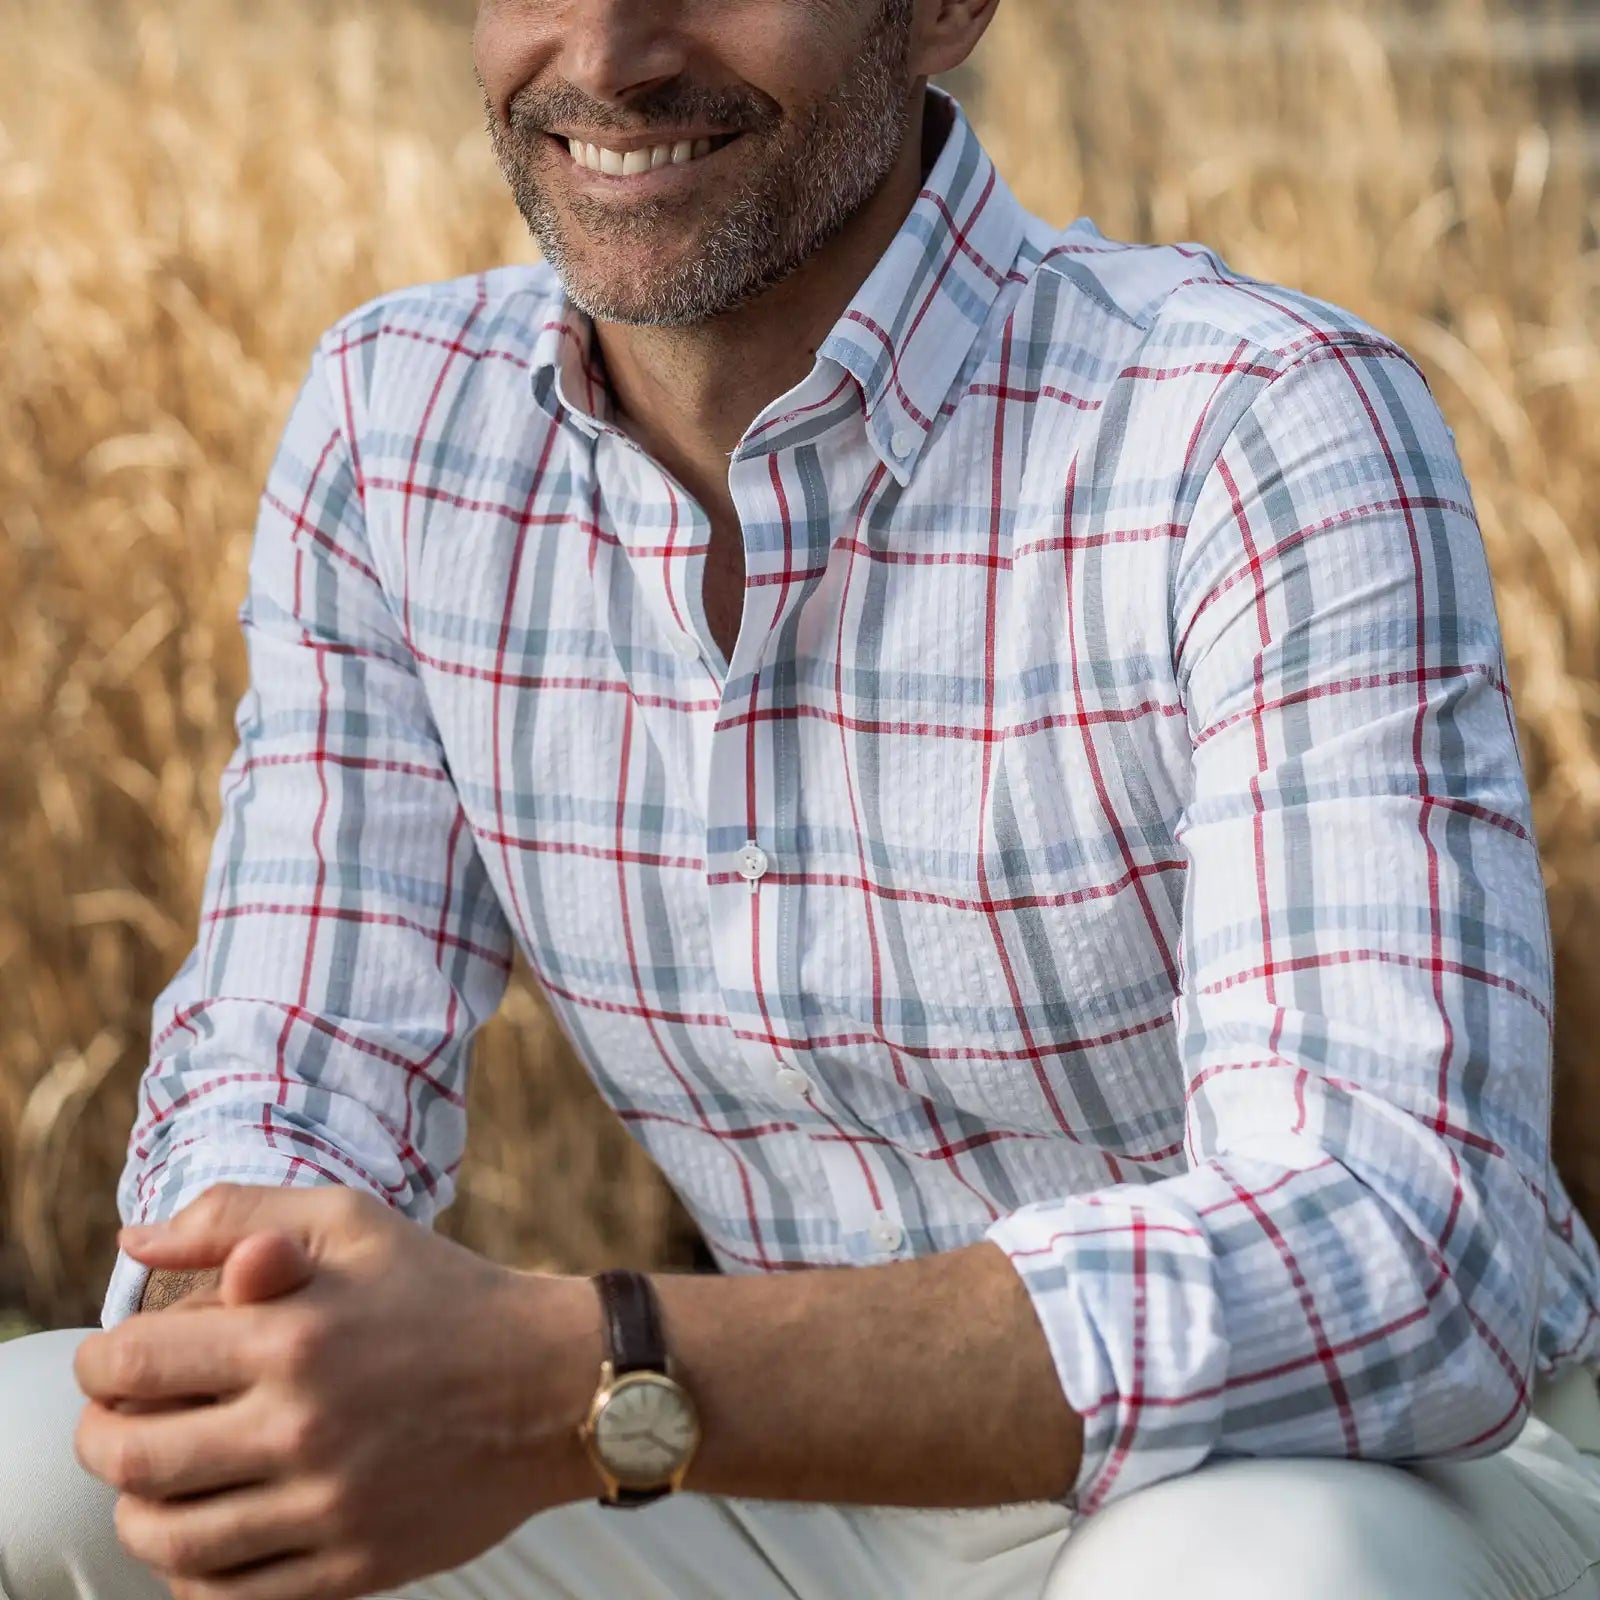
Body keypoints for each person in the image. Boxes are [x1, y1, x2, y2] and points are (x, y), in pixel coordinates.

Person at [4, 0, 1600, 1595]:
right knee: (44, 1482)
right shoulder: (398, 427)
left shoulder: (1255, 421)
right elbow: (284, 1084)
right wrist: (246, 1314)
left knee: (1254, 1568)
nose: (611, 52)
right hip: (773, 1476)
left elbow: (1393, 1256)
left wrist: (576, 1368)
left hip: (1364, 1471)